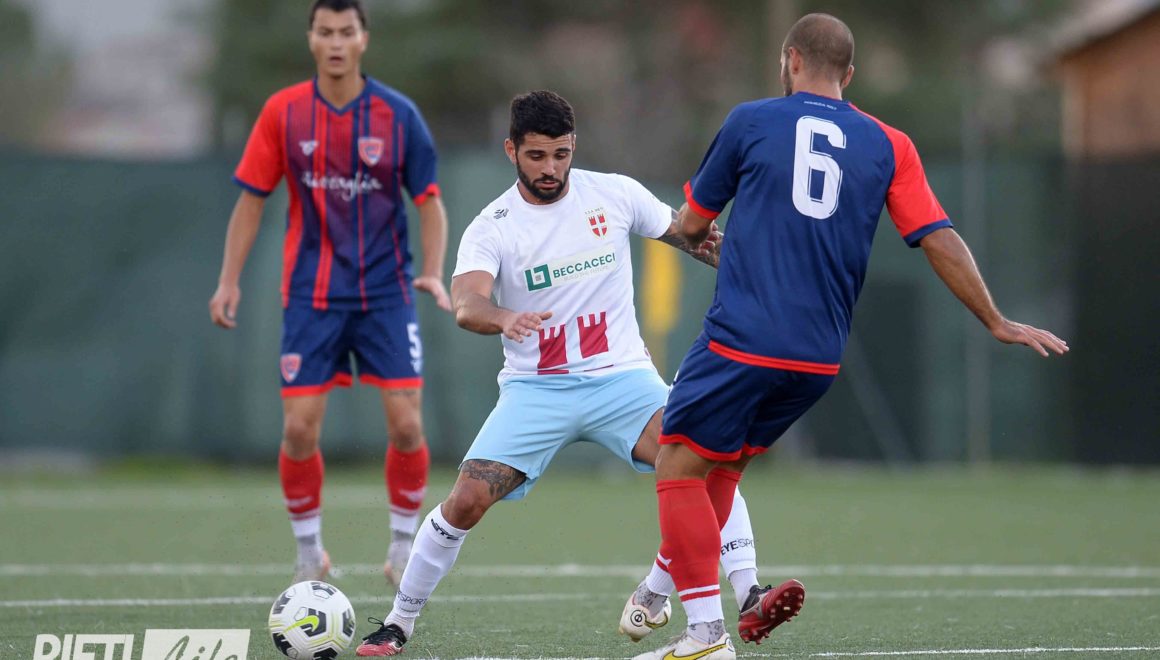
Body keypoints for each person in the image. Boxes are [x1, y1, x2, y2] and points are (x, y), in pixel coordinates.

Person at [630, 13, 1070, 660]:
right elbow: (938, 238)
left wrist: (706, 235)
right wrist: (995, 319)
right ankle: (681, 597)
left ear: (790, 60)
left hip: (742, 337)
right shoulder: (891, 143)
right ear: (851, 74)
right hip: (817, 358)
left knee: (676, 463)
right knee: (721, 468)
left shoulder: (750, 121)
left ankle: (704, 637)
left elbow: (693, 223)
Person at [356, 90, 769, 657]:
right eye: (536, 156)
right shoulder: (493, 225)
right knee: (466, 500)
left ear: (573, 147)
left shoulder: (615, 194)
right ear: (511, 151)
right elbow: (466, 304)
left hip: (623, 380)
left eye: (561, 154)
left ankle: (747, 592)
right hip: (536, 390)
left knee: (703, 456)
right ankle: (397, 623)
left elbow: (693, 237)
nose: (550, 168)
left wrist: (747, 261)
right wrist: (504, 317)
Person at [207, 0, 451, 585]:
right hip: (311, 296)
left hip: (386, 293)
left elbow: (429, 201)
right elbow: (251, 200)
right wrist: (228, 280)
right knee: (298, 429)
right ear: (311, 39)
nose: (336, 42)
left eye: (346, 32)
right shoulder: (283, 112)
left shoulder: (399, 115)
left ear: (364, 39)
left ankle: (401, 549)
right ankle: (308, 553)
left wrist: (433, 270)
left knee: (407, 425)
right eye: (325, 32)